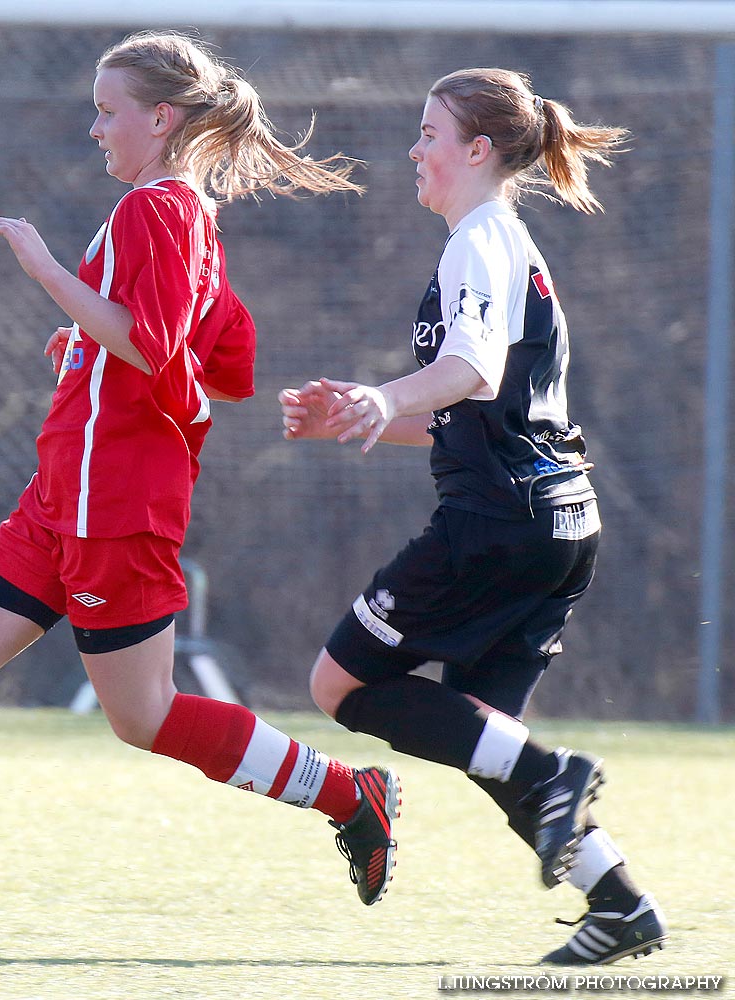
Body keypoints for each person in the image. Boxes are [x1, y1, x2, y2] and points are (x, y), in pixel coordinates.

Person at [0, 30, 402, 926]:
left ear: (159, 118)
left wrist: (48, 271)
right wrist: (87, 347)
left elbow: (161, 347)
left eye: (107, 111)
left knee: (147, 717)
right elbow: (213, 356)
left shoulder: (157, 211)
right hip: (65, 496)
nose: (95, 128)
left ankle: (347, 795)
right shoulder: (168, 214)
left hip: (115, 508)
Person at [280, 67, 666, 965]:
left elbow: (474, 371)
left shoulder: (479, 241)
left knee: (337, 686)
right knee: (486, 739)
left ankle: (558, 776)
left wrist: (380, 393)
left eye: (428, 134)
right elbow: (483, 410)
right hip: (560, 521)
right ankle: (620, 906)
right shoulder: (507, 244)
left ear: (477, 150)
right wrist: (363, 413)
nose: (415, 150)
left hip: (498, 525)